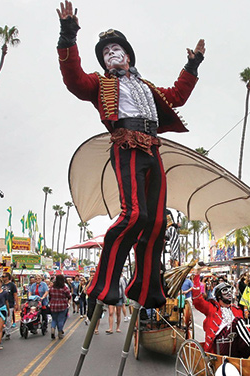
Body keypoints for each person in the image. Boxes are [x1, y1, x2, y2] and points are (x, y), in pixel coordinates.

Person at [57, 1, 205, 312]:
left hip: (152, 148)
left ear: (128, 56)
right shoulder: (101, 84)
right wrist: (68, 36)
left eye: (116, 50)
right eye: (106, 52)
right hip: (126, 146)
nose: (111, 55)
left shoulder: (145, 87)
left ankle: (146, 286)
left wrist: (192, 66)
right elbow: (73, 80)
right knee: (134, 214)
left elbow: (177, 96)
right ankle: (105, 281)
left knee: (155, 223)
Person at [192, 283, 250, 358]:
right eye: (225, 290)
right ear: (219, 296)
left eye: (230, 290)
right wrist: (197, 276)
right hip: (221, 345)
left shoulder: (237, 310)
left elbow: (243, 328)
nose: (229, 293)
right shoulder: (212, 308)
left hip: (236, 343)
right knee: (237, 321)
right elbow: (197, 301)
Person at [49, 275, 71, 340]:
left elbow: (49, 295)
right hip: (62, 305)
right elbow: (68, 295)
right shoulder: (64, 288)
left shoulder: (52, 288)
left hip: (53, 305)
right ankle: (60, 332)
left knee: (54, 319)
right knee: (60, 320)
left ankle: (53, 328)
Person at [2, 273, 18, 337]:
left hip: (10, 304)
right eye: (2, 277)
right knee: (2, 319)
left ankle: (7, 332)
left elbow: (15, 295)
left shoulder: (12, 285)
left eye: (4, 276)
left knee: (8, 319)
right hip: (1, 304)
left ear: (8, 277)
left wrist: (16, 304)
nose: (3, 278)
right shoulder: (1, 284)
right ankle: (2, 330)